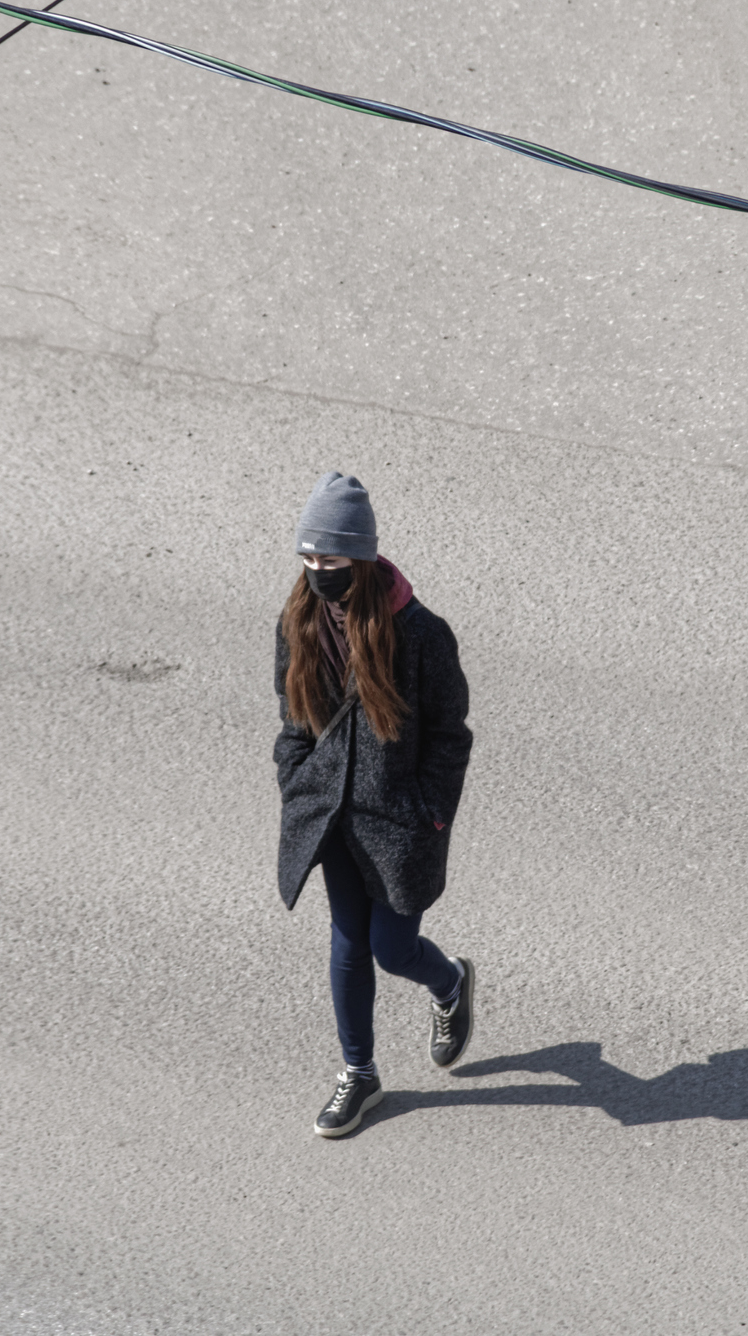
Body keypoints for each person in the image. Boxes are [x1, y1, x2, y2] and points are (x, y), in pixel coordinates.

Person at [273, 472, 476, 1137]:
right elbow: (293, 718)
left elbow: (450, 734)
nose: (316, 571)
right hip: (330, 813)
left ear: (360, 556)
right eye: (307, 557)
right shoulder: (297, 619)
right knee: (347, 944)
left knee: (393, 948)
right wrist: (296, 779)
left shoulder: (419, 633)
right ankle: (358, 1073)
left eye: (329, 559)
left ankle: (448, 983)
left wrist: (428, 809)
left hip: (399, 821)